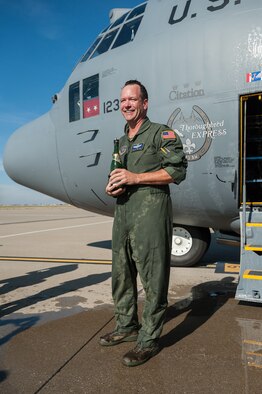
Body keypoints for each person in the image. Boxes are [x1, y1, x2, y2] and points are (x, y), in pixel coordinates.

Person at [100, 80, 187, 367]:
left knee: (153, 278)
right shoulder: (122, 141)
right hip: (123, 214)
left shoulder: (160, 133)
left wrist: (136, 178)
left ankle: (148, 340)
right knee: (121, 275)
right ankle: (126, 326)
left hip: (150, 214)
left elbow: (177, 168)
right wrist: (112, 186)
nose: (126, 104)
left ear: (144, 103)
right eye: (123, 100)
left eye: (132, 99)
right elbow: (120, 175)